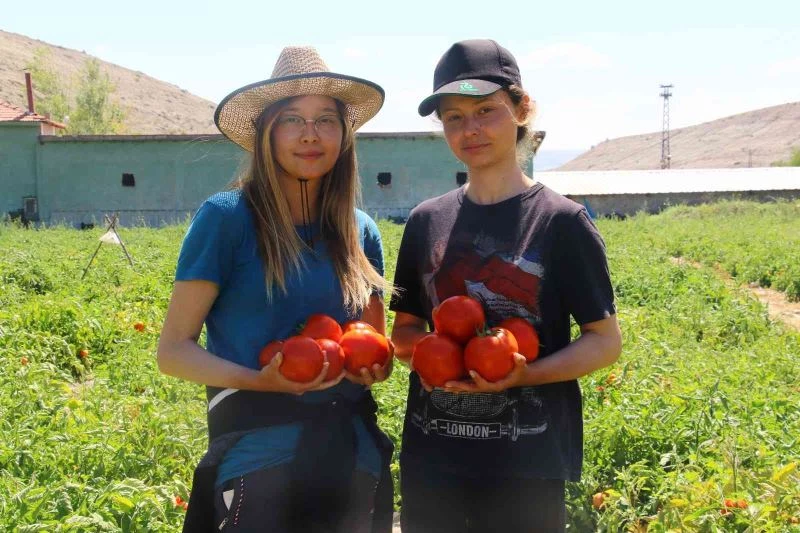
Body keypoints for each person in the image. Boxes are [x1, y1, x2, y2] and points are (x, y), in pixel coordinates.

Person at [157, 46, 394, 533]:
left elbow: (373, 349)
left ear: (344, 133)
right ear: (266, 132)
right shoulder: (226, 219)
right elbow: (173, 352)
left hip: (351, 460)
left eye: (325, 119)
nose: (310, 134)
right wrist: (260, 380)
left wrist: (373, 367)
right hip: (257, 462)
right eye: (292, 119)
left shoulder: (360, 231)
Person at [390, 39, 622, 532]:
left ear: (521, 109)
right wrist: (436, 356)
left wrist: (524, 375)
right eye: (453, 117)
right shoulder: (425, 222)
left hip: (527, 465)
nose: (469, 129)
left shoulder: (562, 222)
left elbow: (604, 342)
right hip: (433, 460)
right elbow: (405, 330)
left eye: (485, 111)